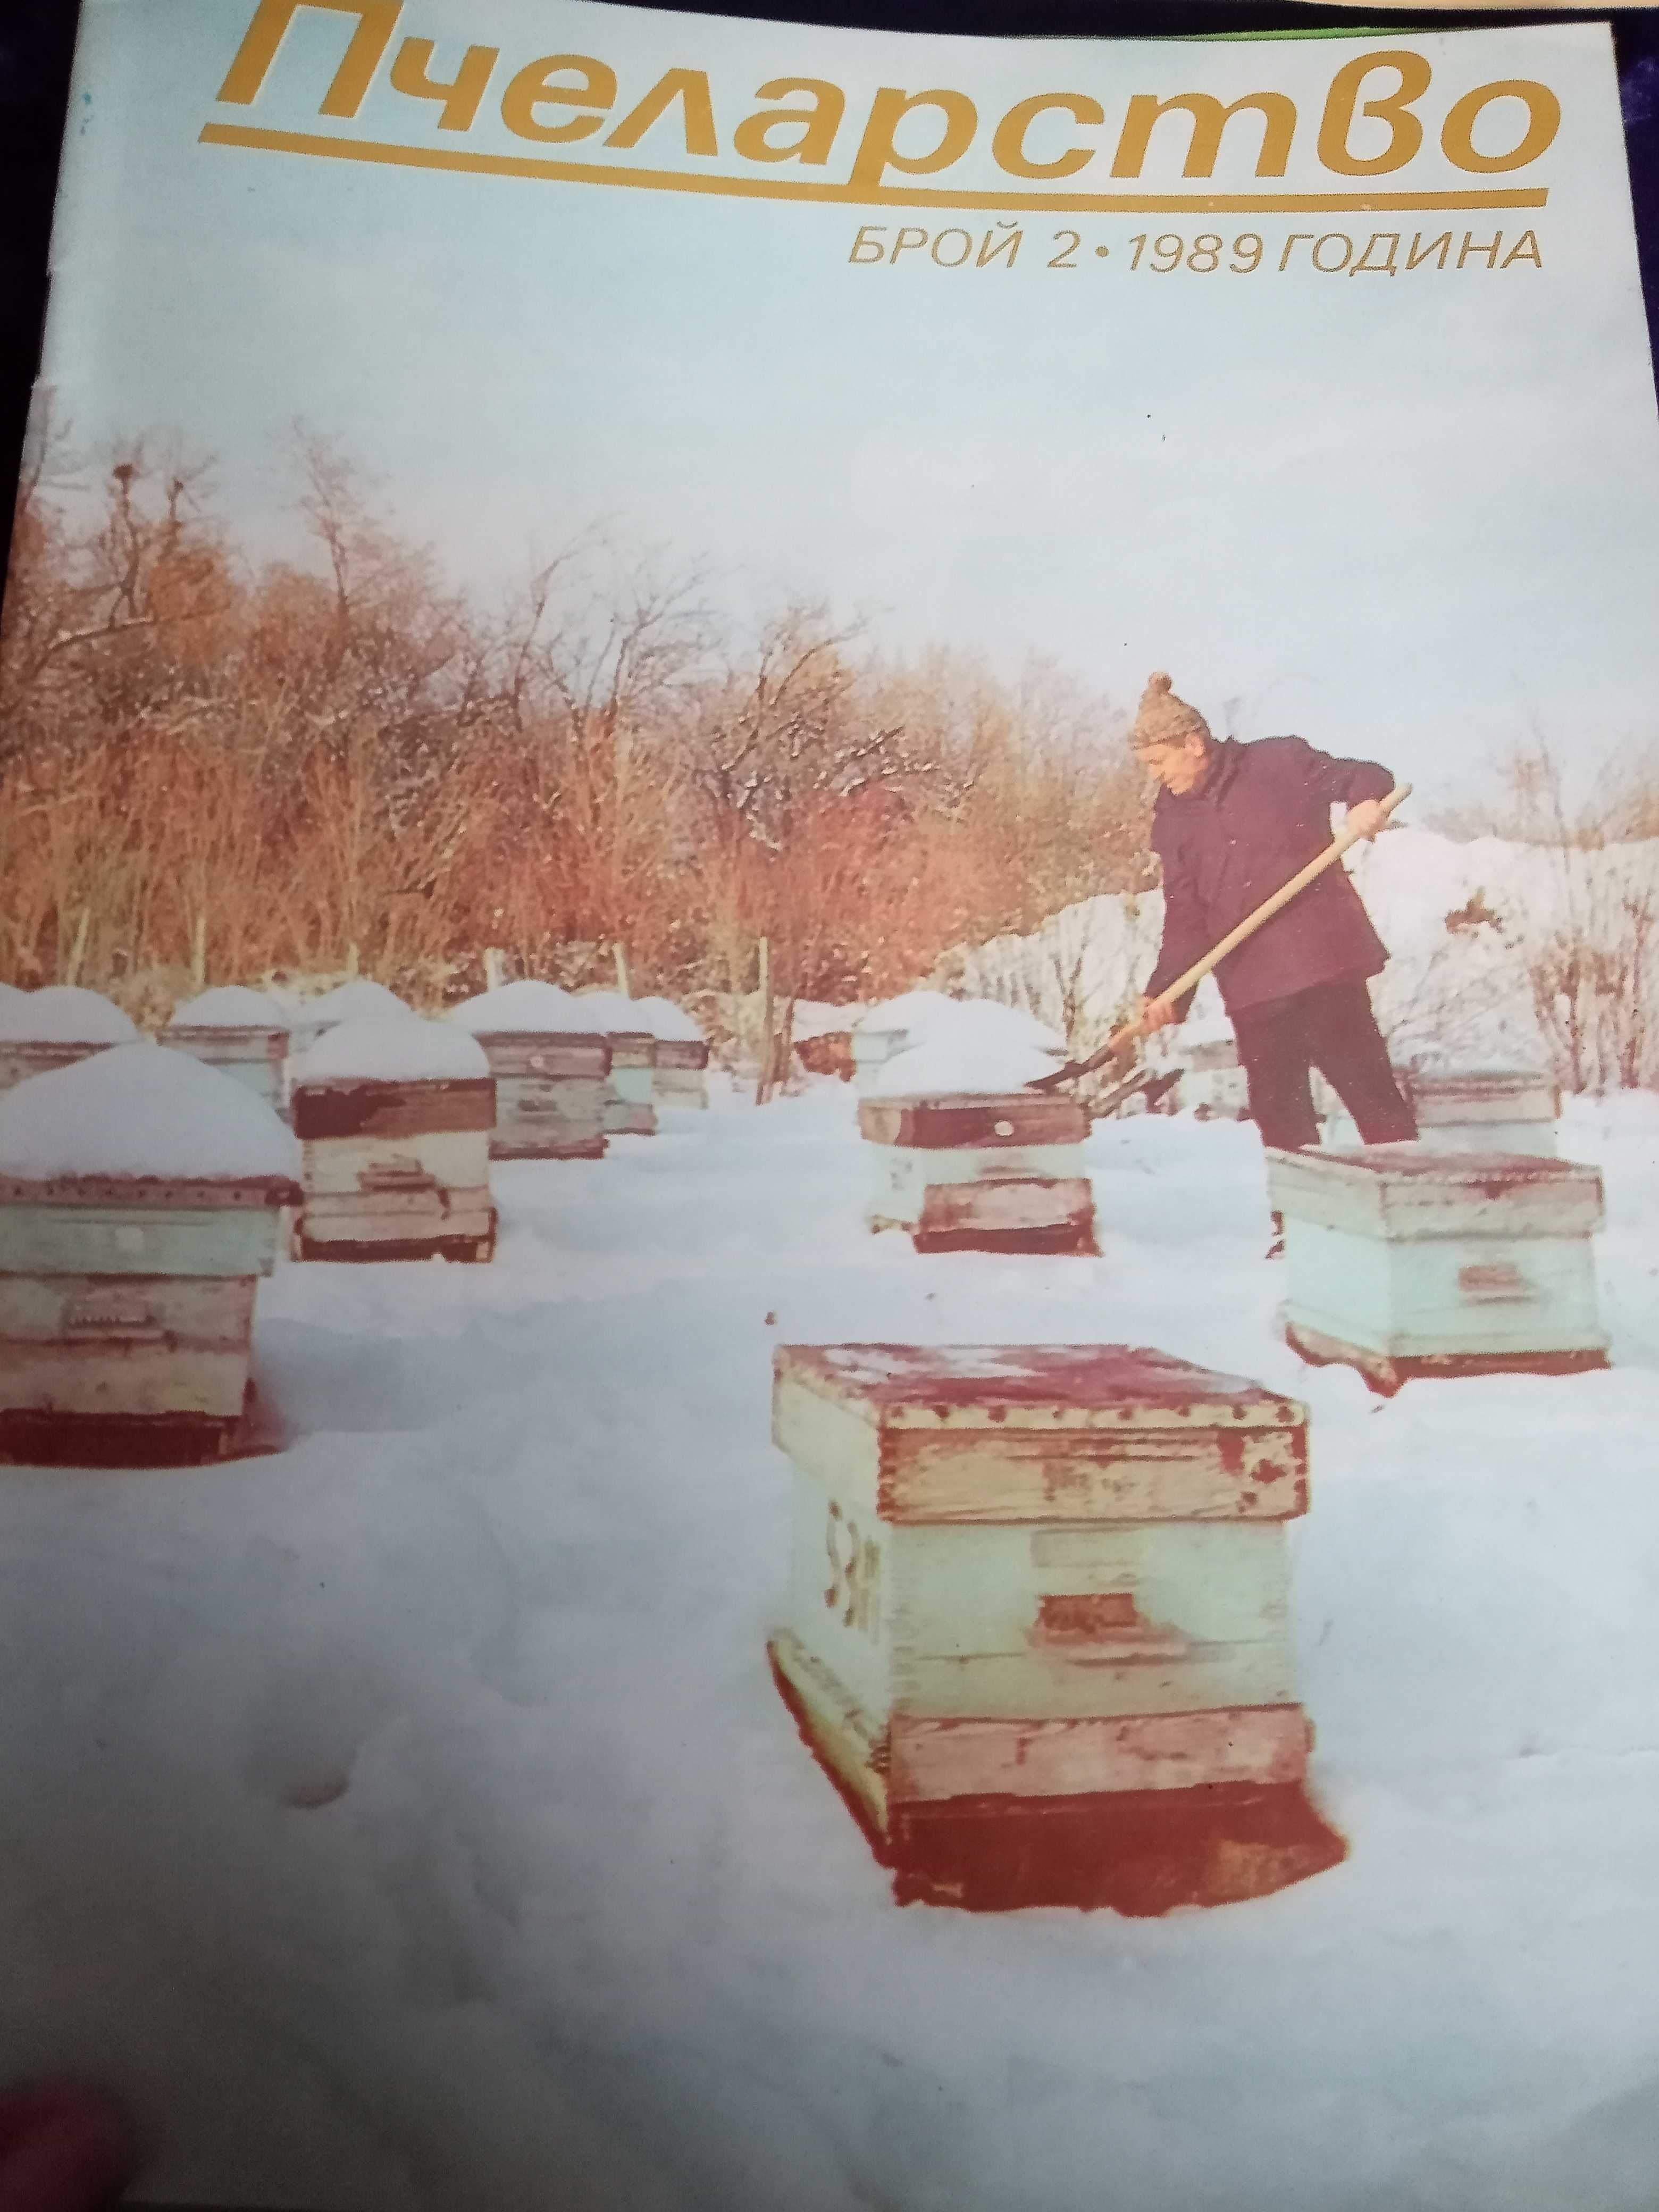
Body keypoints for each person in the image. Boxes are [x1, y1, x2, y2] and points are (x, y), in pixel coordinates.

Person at [1129, 673, 1416, 1247]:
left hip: (1321, 964)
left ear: (1194, 742)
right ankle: (1299, 1226)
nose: (1155, 776)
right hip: (1252, 984)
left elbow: (1365, 775)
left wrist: (1363, 804)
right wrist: (1166, 991)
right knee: (1280, 1111)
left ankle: (1415, 1207)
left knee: (1368, 1091)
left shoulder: (1279, 762)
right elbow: (1186, 914)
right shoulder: (1171, 817)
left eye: (1159, 761)